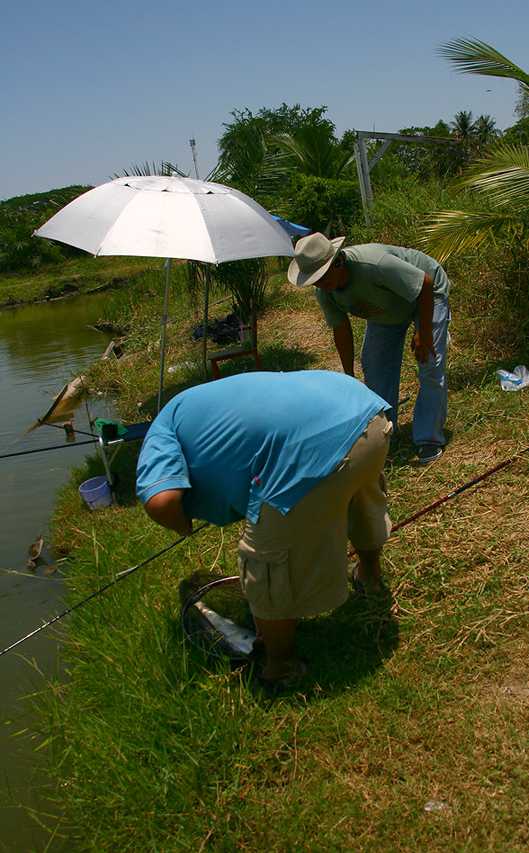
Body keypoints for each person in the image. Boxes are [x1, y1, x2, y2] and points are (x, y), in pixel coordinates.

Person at [136, 370, 393, 687]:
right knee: (358, 502)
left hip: (315, 445)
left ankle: (281, 667)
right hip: (367, 412)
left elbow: (161, 502)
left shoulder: (159, 435)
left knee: (265, 560)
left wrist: (183, 526)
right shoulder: (188, 408)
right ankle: (370, 578)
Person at [288, 233, 450, 464]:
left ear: (338, 261)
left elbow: (424, 284)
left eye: (322, 277)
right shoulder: (325, 291)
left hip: (426, 295)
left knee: (429, 363)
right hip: (387, 309)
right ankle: (384, 432)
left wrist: (423, 332)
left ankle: (429, 439)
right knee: (373, 363)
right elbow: (341, 329)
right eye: (314, 280)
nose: (320, 284)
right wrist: (349, 377)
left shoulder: (373, 264)